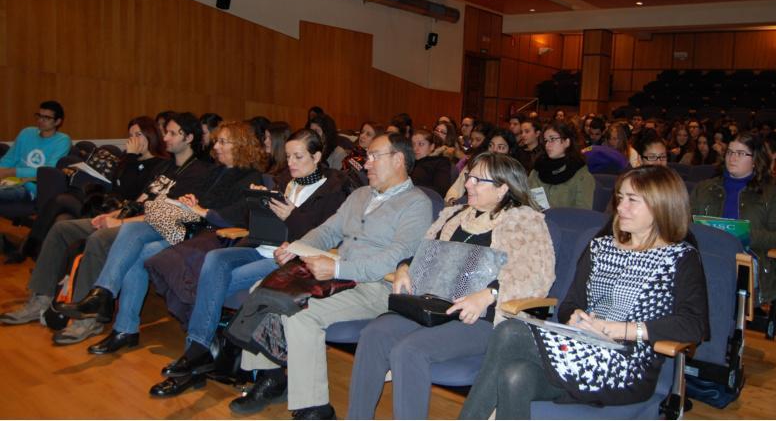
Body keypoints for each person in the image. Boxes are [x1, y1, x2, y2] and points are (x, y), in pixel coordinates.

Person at [460, 165, 709, 419]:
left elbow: (694, 325)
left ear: (661, 205)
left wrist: (616, 329)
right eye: (620, 198)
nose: (621, 207)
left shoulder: (679, 258)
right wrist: (578, 317)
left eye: (632, 200)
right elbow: (570, 304)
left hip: (627, 366)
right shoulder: (600, 246)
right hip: (582, 345)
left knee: (511, 331)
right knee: (515, 376)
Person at [229, 133, 432, 419]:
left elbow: (395, 257)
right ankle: (270, 377)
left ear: (399, 160)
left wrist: (336, 268)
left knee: (301, 313)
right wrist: (297, 248)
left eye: (374, 156)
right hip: (336, 277)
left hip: (375, 287)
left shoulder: (416, 204)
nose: (366, 164)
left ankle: (314, 406)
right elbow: (328, 231)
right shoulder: (361, 195)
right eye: (367, 156)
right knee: (261, 289)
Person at [347, 152, 555, 419]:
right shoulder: (454, 216)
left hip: (481, 319)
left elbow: (534, 278)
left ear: (503, 188)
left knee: (409, 351)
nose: (467, 184)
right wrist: (403, 268)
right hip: (434, 306)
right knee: (374, 334)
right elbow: (423, 253)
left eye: (478, 180)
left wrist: (490, 294)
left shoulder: (525, 222)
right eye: (469, 177)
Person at [146, 128, 350, 398]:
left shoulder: (333, 190)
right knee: (214, 259)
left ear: (317, 156)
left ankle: (197, 350)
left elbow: (322, 238)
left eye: (298, 157)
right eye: (288, 156)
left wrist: (292, 214)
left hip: (288, 259)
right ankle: (201, 351)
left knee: (213, 283)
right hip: (260, 247)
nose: (291, 163)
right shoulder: (284, 180)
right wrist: (258, 203)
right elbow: (252, 224)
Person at [55, 121, 265, 353]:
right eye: (217, 141)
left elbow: (236, 217)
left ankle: (121, 324)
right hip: (184, 225)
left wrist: (203, 211)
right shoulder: (214, 171)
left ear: (242, 145)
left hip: (205, 236)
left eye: (223, 142)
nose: (216, 147)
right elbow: (200, 201)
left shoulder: (251, 178)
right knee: (130, 230)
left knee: (140, 253)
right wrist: (191, 202)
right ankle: (104, 295)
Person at [0, 113, 211, 344]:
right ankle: (40, 298)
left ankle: (87, 317)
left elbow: (169, 215)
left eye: (172, 133)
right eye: (166, 132)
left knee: (100, 239)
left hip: (154, 229)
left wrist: (119, 222)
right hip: (131, 219)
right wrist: (110, 215)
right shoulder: (167, 168)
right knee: (62, 229)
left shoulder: (198, 172)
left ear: (189, 137)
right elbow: (139, 201)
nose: (166, 137)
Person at [13, 116, 168, 262]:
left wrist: (132, 157)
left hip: (122, 213)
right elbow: (116, 185)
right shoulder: (129, 159)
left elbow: (132, 192)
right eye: (130, 135)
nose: (133, 139)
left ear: (151, 135)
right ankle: (44, 263)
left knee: (61, 201)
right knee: (62, 218)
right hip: (106, 204)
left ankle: (30, 247)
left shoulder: (159, 164)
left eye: (138, 134)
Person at [690, 132, 776, 304]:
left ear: (755, 160)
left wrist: (747, 235)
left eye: (740, 153)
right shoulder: (704, 188)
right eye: (730, 152)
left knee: (718, 274)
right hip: (708, 256)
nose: (733, 157)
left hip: (746, 260)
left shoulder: (771, 194)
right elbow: (686, 225)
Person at [0, 101, 71, 205]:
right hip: (8, 180)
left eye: (46, 118)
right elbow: (10, 158)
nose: (40, 120)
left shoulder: (62, 140)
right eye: (39, 116)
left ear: (58, 122)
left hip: (30, 187)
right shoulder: (27, 132)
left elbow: (47, 172)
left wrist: (12, 172)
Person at [527, 122, 595, 210]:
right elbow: (528, 202)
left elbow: (582, 213)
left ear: (567, 142)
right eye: (546, 140)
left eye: (552, 139)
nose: (547, 145)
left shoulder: (581, 174)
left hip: (566, 222)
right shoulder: (537, 169)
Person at [409, 129, 452, 197]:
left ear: (432, 147)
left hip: (426, 200)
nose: (415, 148)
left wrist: (412, 189)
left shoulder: (440, 162)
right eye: (413, 144)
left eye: (421, 144)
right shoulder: (409, 162)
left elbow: (441, 190)